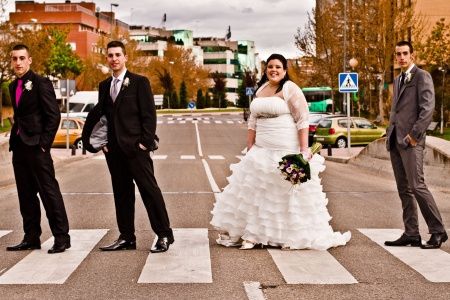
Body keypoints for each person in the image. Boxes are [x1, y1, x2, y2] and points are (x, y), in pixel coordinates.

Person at [210, 53, 350, 250]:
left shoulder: (290, 89)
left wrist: (303, 151)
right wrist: (250, 146)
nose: (273, 70)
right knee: (258, 193)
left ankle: (287, 236)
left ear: (284, 70)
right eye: (270, 67)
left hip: (285, 149)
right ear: (266, 70)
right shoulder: (261, 90)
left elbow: (302, 119)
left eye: (277, 67)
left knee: (283, 196)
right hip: (260, 150)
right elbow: (253, 121)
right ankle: (252, 234)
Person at [82, 41, 173, 253]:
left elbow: (149, 116)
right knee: (121, 194)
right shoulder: (104, 86)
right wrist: (102, 143)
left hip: (136, 150)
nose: (114, 59)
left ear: (125, 58)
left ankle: (164, 235)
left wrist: (144, 143)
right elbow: (103, 116)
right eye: (110, 55)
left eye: (117, 55)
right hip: (114, 152)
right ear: (107, 59)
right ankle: (126, 237)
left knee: (149, 191)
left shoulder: (140, 82)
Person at [7, 44, 71, 254]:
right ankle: (31, 236)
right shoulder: (12, 86)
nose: (18, 62)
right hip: (19, 148)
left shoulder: (41, 83)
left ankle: (62, 237)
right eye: (14, 59)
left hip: (37, 148)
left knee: (48, 192)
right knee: (25, 195)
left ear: (29, 60)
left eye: (21, 58)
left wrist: (44, 144)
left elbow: (54, 115)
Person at [385, 41, 447, 249]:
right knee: (404, 189)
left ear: (412, 55)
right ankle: (411, 233)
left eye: (405, 53)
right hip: (395, 140)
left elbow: (427, 109)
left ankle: (438, 231)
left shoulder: (422, 76)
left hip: (411, 141)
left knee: (417, 186)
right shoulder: (398, 79)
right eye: (398, 54)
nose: (401, 57)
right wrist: (390, 134)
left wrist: (414, 136)